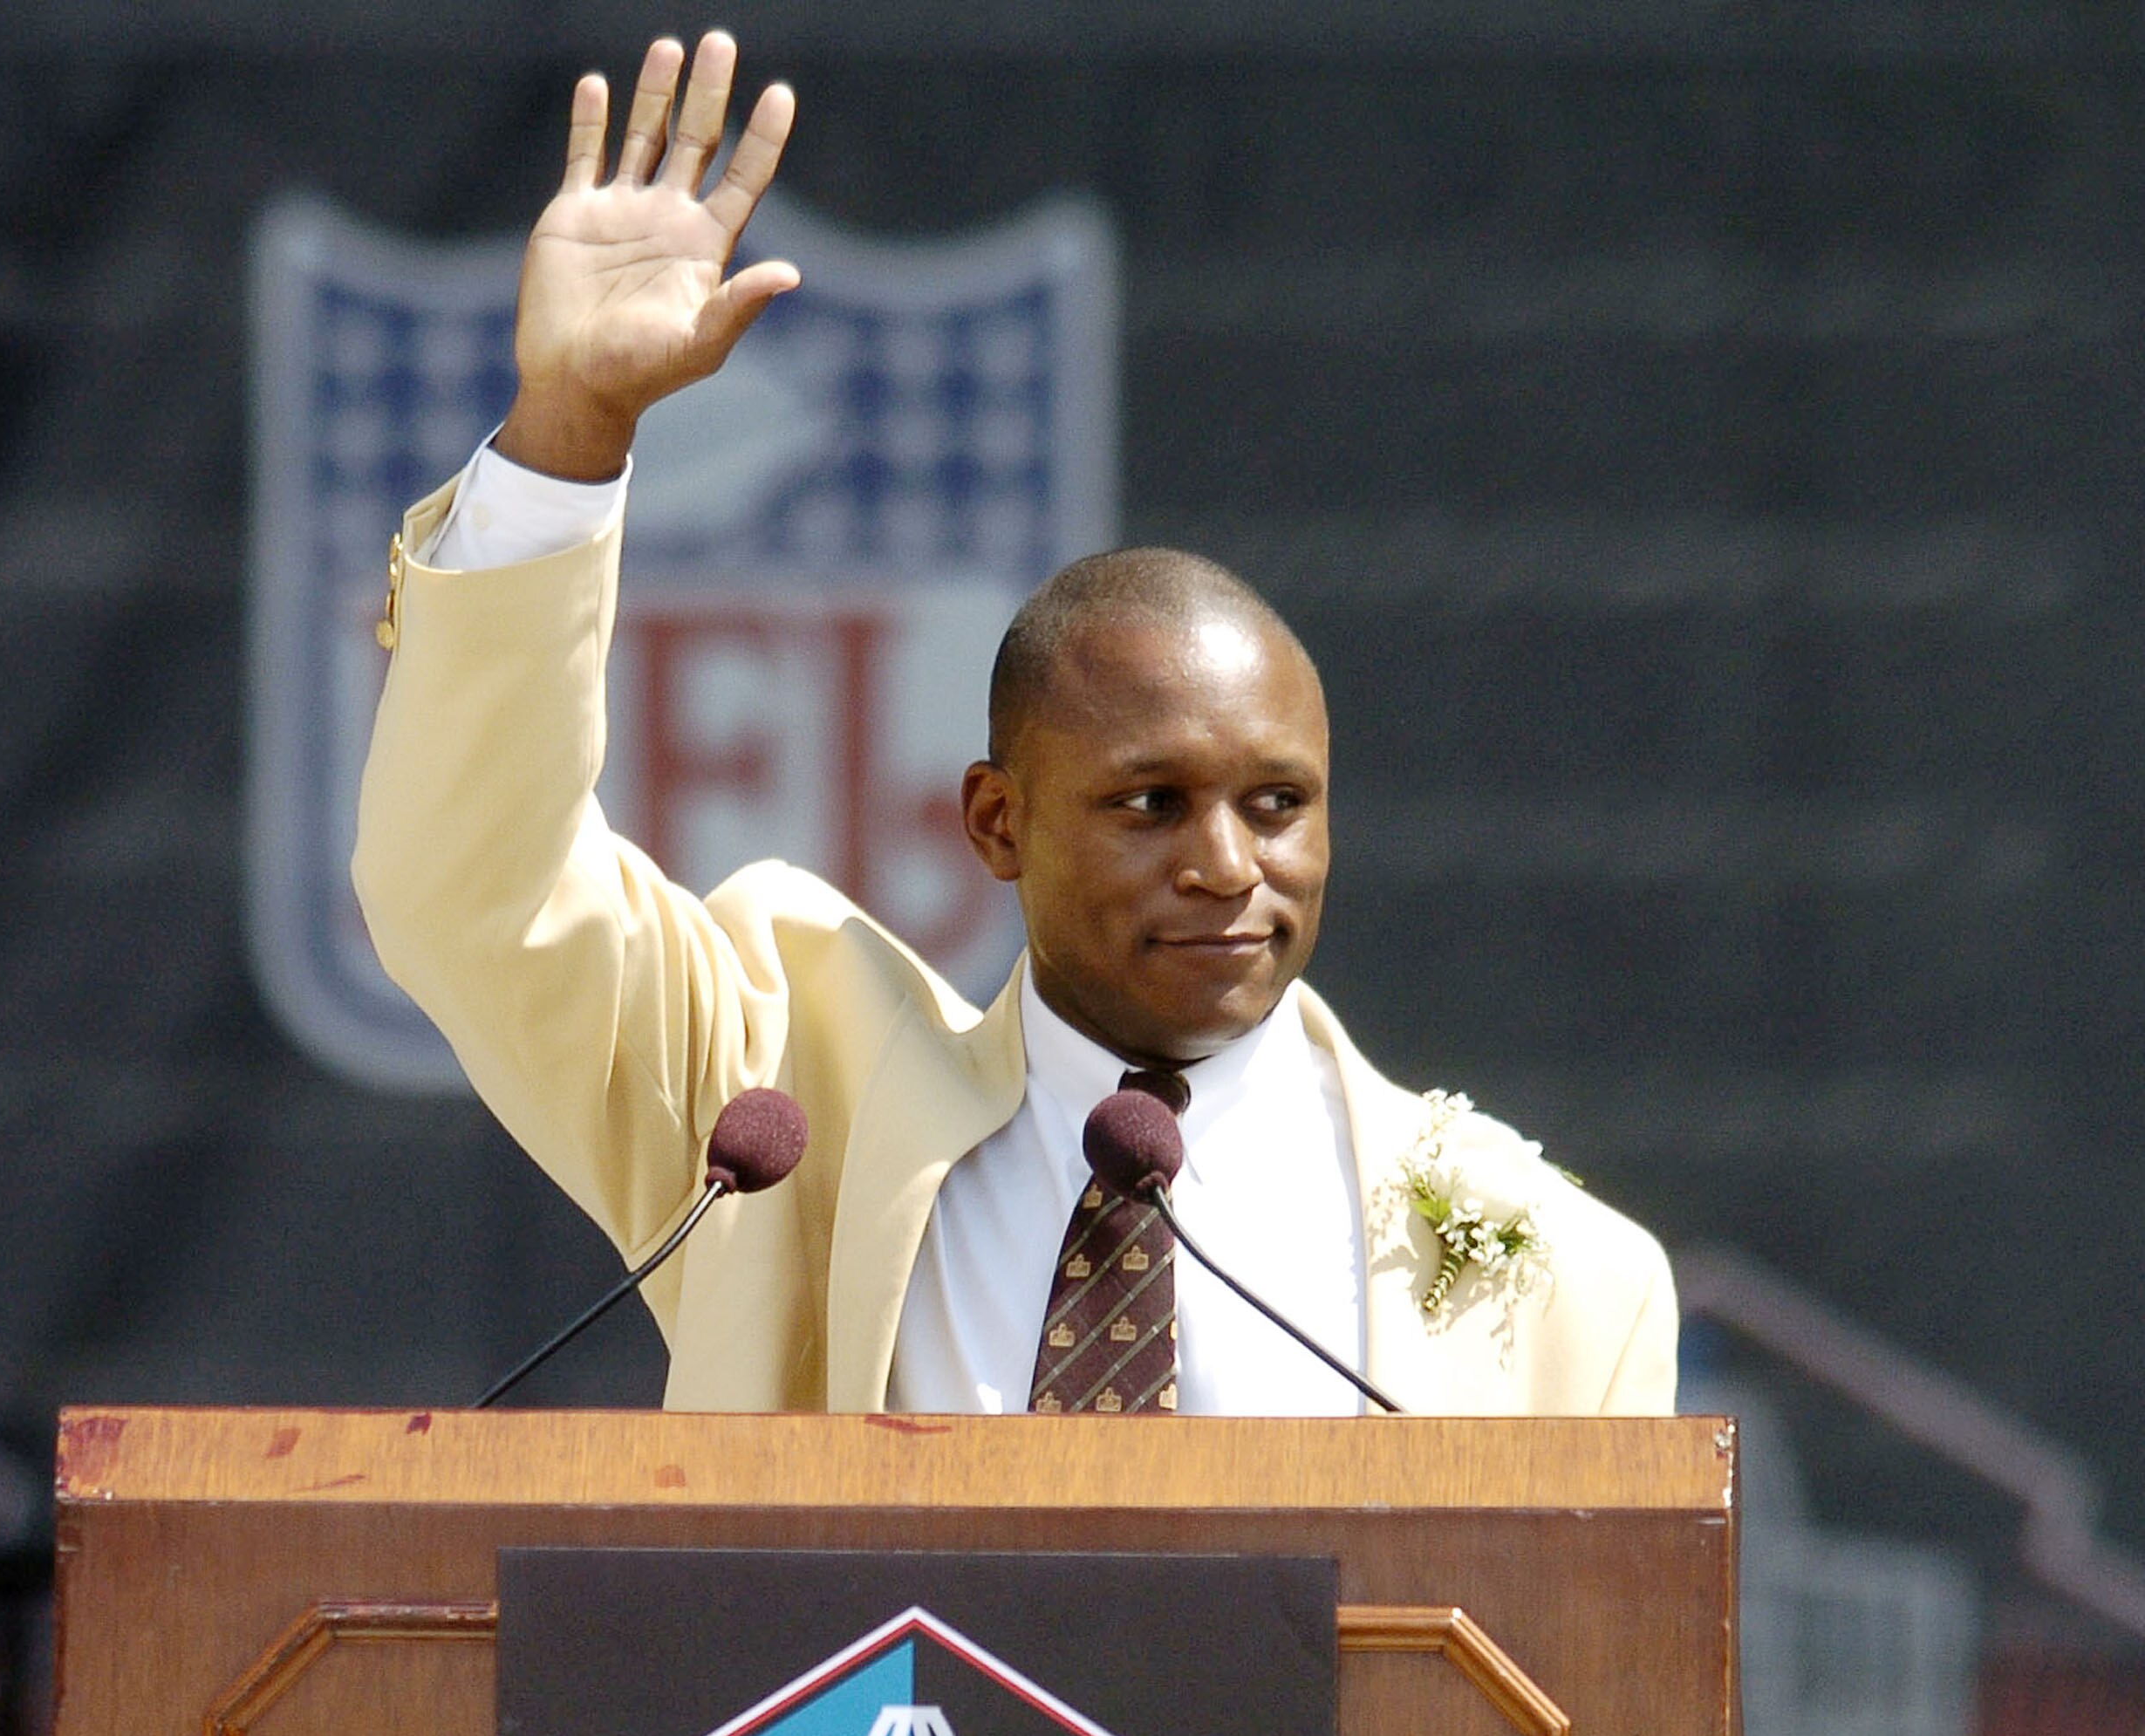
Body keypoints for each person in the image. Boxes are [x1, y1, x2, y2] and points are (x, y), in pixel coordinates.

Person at [353, 33, 1676, 1418]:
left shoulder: (1564, 1277)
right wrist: (568, 423)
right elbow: (476, 896)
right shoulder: (791, 1109)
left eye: (1276, 803)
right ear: (997, 820)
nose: (1228, 864)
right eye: (1149, 802)